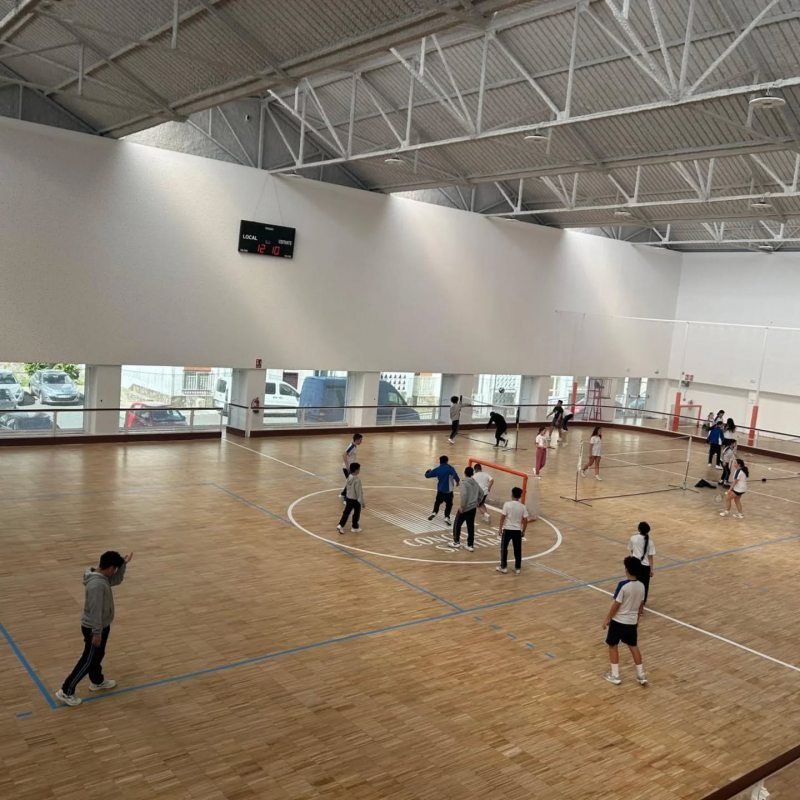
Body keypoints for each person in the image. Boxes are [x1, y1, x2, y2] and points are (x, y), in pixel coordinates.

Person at [56, 550, 133, 707]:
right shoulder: (97, 585)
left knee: (97, 656)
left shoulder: (101, 577)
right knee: (88, 660)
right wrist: (97, 633)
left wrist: (123, 565)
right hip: (94, 628)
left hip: (101, 626)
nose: (115, 572)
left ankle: (97, 681)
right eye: (115, 569)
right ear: (110, 568)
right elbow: (95, 611)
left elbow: (116, 580)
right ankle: (66, 690)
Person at [603, 556, 647, 686]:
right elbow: (640, 606)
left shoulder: (623, 585)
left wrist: (607, 618)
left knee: (613, 645)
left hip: (618, 621)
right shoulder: (642, 586)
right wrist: (637, 620)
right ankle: (641, 675)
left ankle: (615, 675)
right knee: (633, 646)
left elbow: (616, 604)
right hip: (632, 622)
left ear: (627, 569)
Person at [496, 486, 529, 575]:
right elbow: (525, 520)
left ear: (512, 494)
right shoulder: (523, 507)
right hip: (517, 531)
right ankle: (517, 568)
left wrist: (500, 528)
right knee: (517, 550)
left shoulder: (507, 504)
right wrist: (523, 531)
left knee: (504, 548)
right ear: (520, 496)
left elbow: (502, 517)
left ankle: (503, 567)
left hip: (507, 530)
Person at [452, 466, 482, 551]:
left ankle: (456, 542)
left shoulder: (464, 483)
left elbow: (464, 496)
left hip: (465, 508)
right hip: (473, 508)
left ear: (465, 473)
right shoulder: (475, 482)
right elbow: (482, 493)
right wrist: (478, 501)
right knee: (470, 526)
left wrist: (462, 507)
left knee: (457, 524)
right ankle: (470, 545)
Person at [425, 455, 460, 525]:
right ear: (447, 461)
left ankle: (434, 512)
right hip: (448, 492)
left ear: (440, 461)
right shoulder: (450, 468)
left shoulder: (438, 469)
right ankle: (446, 517)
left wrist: (427, 472)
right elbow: (455, 475)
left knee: (437, 502)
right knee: (449, 504)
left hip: (440, 491)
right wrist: (457, 481)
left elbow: (427, 475)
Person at [628, 522, 655, 603]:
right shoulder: (650, 542)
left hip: (635, 564)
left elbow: (631, 550)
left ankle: (633, 601)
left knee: (634, 584)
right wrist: (651, 569)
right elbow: (650, 557)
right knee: (644, 586)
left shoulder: (633, 538)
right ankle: (642, 603)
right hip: (645, 567)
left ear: (639, 529)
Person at [337, 462, 365, 533]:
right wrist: (362, 502)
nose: (359, 470)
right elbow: (359, 492)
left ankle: (340, 525)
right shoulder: (357, 480)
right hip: (355, 500)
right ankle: (354, 527)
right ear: (356, 470)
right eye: (359, 469)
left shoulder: (349, 477)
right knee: (356, 513)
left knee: (346, 512)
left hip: (348, 498)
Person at [341, 433, 363, 500]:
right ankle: (346, 497)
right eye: (360, 440)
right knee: (351, 482)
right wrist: (348, 467)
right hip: (347, 467)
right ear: (357, 439)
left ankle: (343, 493)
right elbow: (344, 455)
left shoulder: (354, 446)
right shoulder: (352, 446)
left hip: (351, 467)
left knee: (350, 481)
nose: (361, 441)